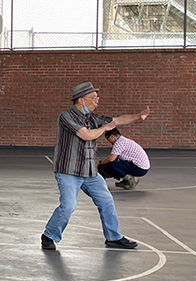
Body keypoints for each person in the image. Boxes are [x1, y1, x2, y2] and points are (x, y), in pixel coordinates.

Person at [41, 82, 149, 251]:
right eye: (94, 98)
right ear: (81, 100)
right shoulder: (66, 117)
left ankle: (113, 237)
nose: (97, 101)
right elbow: (86, 134)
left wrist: (138, 116)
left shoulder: (93, 118)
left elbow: (118, 120)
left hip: (90, 171)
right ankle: (49, 235)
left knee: (106, 201)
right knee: (68, 205)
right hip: (69, 171)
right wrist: (105, 127)